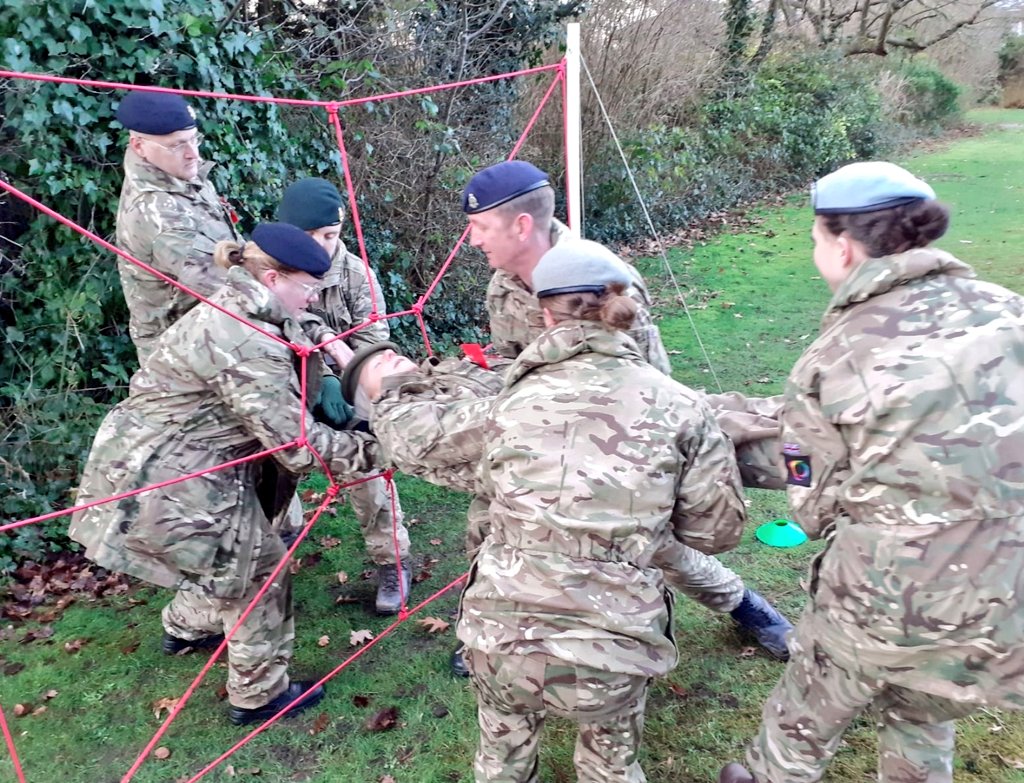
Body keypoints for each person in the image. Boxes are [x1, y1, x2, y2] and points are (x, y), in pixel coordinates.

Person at [718, 162, 1024, 783]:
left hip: (876, 609)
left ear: (843, 246)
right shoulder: (1011, 313)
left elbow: (812, 503)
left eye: (814, 238)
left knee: (794, 738)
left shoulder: (834, 353)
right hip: (998, 606)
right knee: (921, 717)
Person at [458, 160, 793, 675]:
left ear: (521, 225)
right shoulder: (502, 287)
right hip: (544, 437)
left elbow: (652, 385)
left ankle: (743, 606)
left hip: (621, 437)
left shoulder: (605, 282)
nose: (472, 238)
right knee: (490, 523)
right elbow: (513, 365)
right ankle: (486, 631)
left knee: (652, 545)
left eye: (480, 226)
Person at [68, 223, 381, 726]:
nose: (315, 297)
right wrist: (379, 446)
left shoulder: (242, 298)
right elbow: (298, 447)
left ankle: (187, 627)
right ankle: (259, 696)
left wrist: (331, 344)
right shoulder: (245, 343)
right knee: (259, 571)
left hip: (166, 459)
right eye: (309, 287)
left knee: (225, 561)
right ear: (273, 278)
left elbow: (294, 319)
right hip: (173, 476)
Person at [461, 238, 747, 782]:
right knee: (610, 766)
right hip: (612, 651)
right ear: (626, 309)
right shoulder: (682, 406)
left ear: (545, 315)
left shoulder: (505, 403)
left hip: (500, 642)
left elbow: (487, 495)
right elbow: (716, 533)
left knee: (501, 761)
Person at [277, 177, 411, 614]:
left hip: (349, 389)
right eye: (310, 236)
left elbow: (373, 342)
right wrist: (314, 379)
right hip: (286, 390)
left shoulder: (356, 275)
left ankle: (392, 561)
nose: (321, 246)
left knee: (368, 470)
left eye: (330, 235)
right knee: (272, 473)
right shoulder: (271, 269)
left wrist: (337, 378)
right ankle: (276, 551)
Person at [114, 89, 241, 365]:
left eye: (194, 139)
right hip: (182, 360)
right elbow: (233, 290)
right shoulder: (157, 213)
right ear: (139, 146)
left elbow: (236, 258)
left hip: (215, 331)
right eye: (176, 145)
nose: (192, 154)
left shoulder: (180, 177)